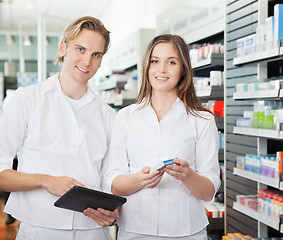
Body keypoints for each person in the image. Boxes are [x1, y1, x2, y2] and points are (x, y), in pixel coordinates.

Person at [0, 16, 118, 240]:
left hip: (92, 230)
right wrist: (45, 181)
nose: (87, 61)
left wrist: (112, 209)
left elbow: (110, 179)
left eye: (96, 54)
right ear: (63, 47)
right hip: (39, 228)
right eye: (80, 49)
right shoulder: (28, 99)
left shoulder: (107, 115)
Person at [106, 34, 221, 240]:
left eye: (172, 62)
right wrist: (139, 180)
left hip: (187, 231)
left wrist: (188, 175)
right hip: (135, 229)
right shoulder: (125, 117)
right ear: (146, 66)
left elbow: (208, 191)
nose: (162, 69)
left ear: (183, 68)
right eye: (155, 61)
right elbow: (114, 183)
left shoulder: (202, 120)